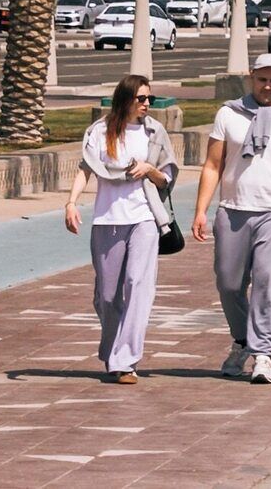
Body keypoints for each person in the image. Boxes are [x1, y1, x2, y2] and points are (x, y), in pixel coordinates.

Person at [194, 52, 271, 384]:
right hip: (233, 211)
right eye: (262, 79)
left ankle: (264, 353)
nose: (267, 85)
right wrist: (201, 209)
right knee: (229, 283)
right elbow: (213, 165)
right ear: (252, 78)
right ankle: (243, 341)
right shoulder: (229, 114)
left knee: (266, 282)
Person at [65, 73, 179, 383]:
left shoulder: (154, 132)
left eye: (149, 99)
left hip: (143, 218)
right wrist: (72, 203)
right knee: (107, 295)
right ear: (125, 99)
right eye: (141, 99)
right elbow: (86, 169)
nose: (146, 104)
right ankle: (112, 349)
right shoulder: (101, 133)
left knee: (138, 285)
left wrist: (150, 169)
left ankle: (126, 360)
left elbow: (166, 178)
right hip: (107, 220)